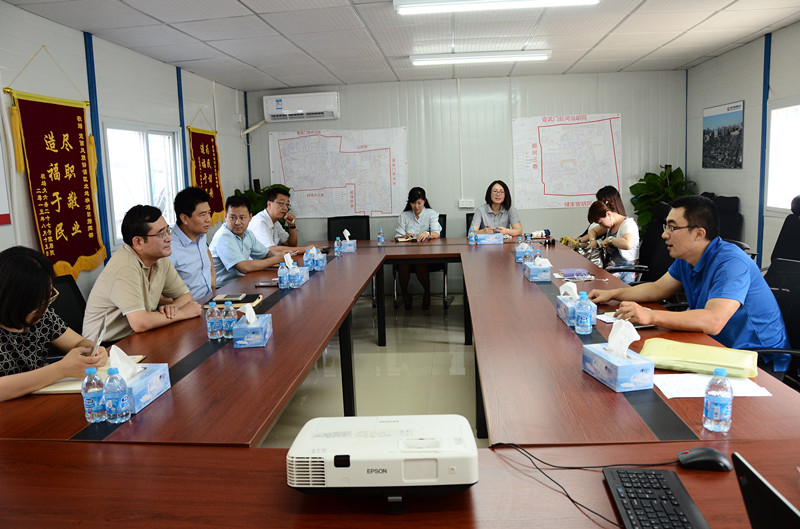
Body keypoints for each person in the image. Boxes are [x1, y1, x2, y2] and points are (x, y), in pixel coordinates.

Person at [588, 195, 790, 378]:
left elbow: (713, 321)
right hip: (717, 347)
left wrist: (650, 316)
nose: (664, 235)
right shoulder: (687, 257)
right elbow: (658, 288)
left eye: (672, 228)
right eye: (666, 227)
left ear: (699, 234)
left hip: (758, 360)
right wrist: (612, 294)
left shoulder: (731, 264)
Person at [0, 247, 109, 402]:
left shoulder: (42, 317)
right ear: (9, 301)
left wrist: (92, 350)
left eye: (48, 299)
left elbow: (77, 343)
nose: (45, 310)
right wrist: (61, 370)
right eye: (36, 305)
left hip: (35, 401)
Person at [83, 205, 202, 343]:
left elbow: (185, 296)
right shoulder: (125, 266)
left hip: (136, 336)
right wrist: (182, 313)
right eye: (161, 234)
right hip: (104, 346)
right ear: (138, 242)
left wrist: (173, 309)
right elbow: (140, 322)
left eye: (167, 230)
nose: (169, 238)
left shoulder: (160, 258)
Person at [209, 195, 287, 287]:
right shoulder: (223, 236)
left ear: (250, 217)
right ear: (225, 216)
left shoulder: (248, 233)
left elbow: (266, 254)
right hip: (224, 288)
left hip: (242, 282)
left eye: (242, 218)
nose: (237, 222)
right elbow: (243, 267)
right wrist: (276, 259)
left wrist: (284, 255)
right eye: (232, 217)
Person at [395, 187, 442, 309]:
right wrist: (405, 236)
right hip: (407, 253)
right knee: (403, 265)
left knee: (420, 264)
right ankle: (404, 293)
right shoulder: (404, 216)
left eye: (419, 203)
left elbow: (437, 233)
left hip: (426, 252)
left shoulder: (431, 213)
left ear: (424, 201)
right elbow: (398, 236)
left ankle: (427, 292)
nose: (416, 206)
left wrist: (427, 234)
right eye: (413, 203)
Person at [169, 187, 216, 300]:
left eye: (209, 213)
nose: (208, 219)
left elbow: (206, 251)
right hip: (189, 306)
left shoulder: (200, 235)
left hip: (210, 299)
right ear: (184, 218)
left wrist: (213, 278)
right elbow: (160, 294)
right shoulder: (169, 248)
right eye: (202, 214)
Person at [584, 200, 640, 283]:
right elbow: (593, 231)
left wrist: (610, 239)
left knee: (595, 282)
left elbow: (628, 244)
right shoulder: (611, 225)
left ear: (608, 214)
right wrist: (593, 240)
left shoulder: (628, 224)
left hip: (625, 270)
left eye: (600, 222)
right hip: (611, 268)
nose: (601, 226)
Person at [250, 188, 311, 253]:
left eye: (287, 204)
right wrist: (306, 249)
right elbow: (270, 250)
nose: (285, 208)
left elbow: (290, 245)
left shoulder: (275, 222)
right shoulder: (260, 222)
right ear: (269, 204)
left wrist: (292, 226)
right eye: (281, 203)